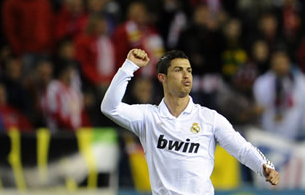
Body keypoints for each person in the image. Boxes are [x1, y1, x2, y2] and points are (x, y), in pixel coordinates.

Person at [101, 48, 279, 194]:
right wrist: (129, 66)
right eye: (178, 70)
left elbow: (242, 148)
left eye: (189, 70)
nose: (186, 75)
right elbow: (110, 107)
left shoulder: (209, 118)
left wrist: (265, 166)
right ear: (162, 77)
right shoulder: (148, 117)